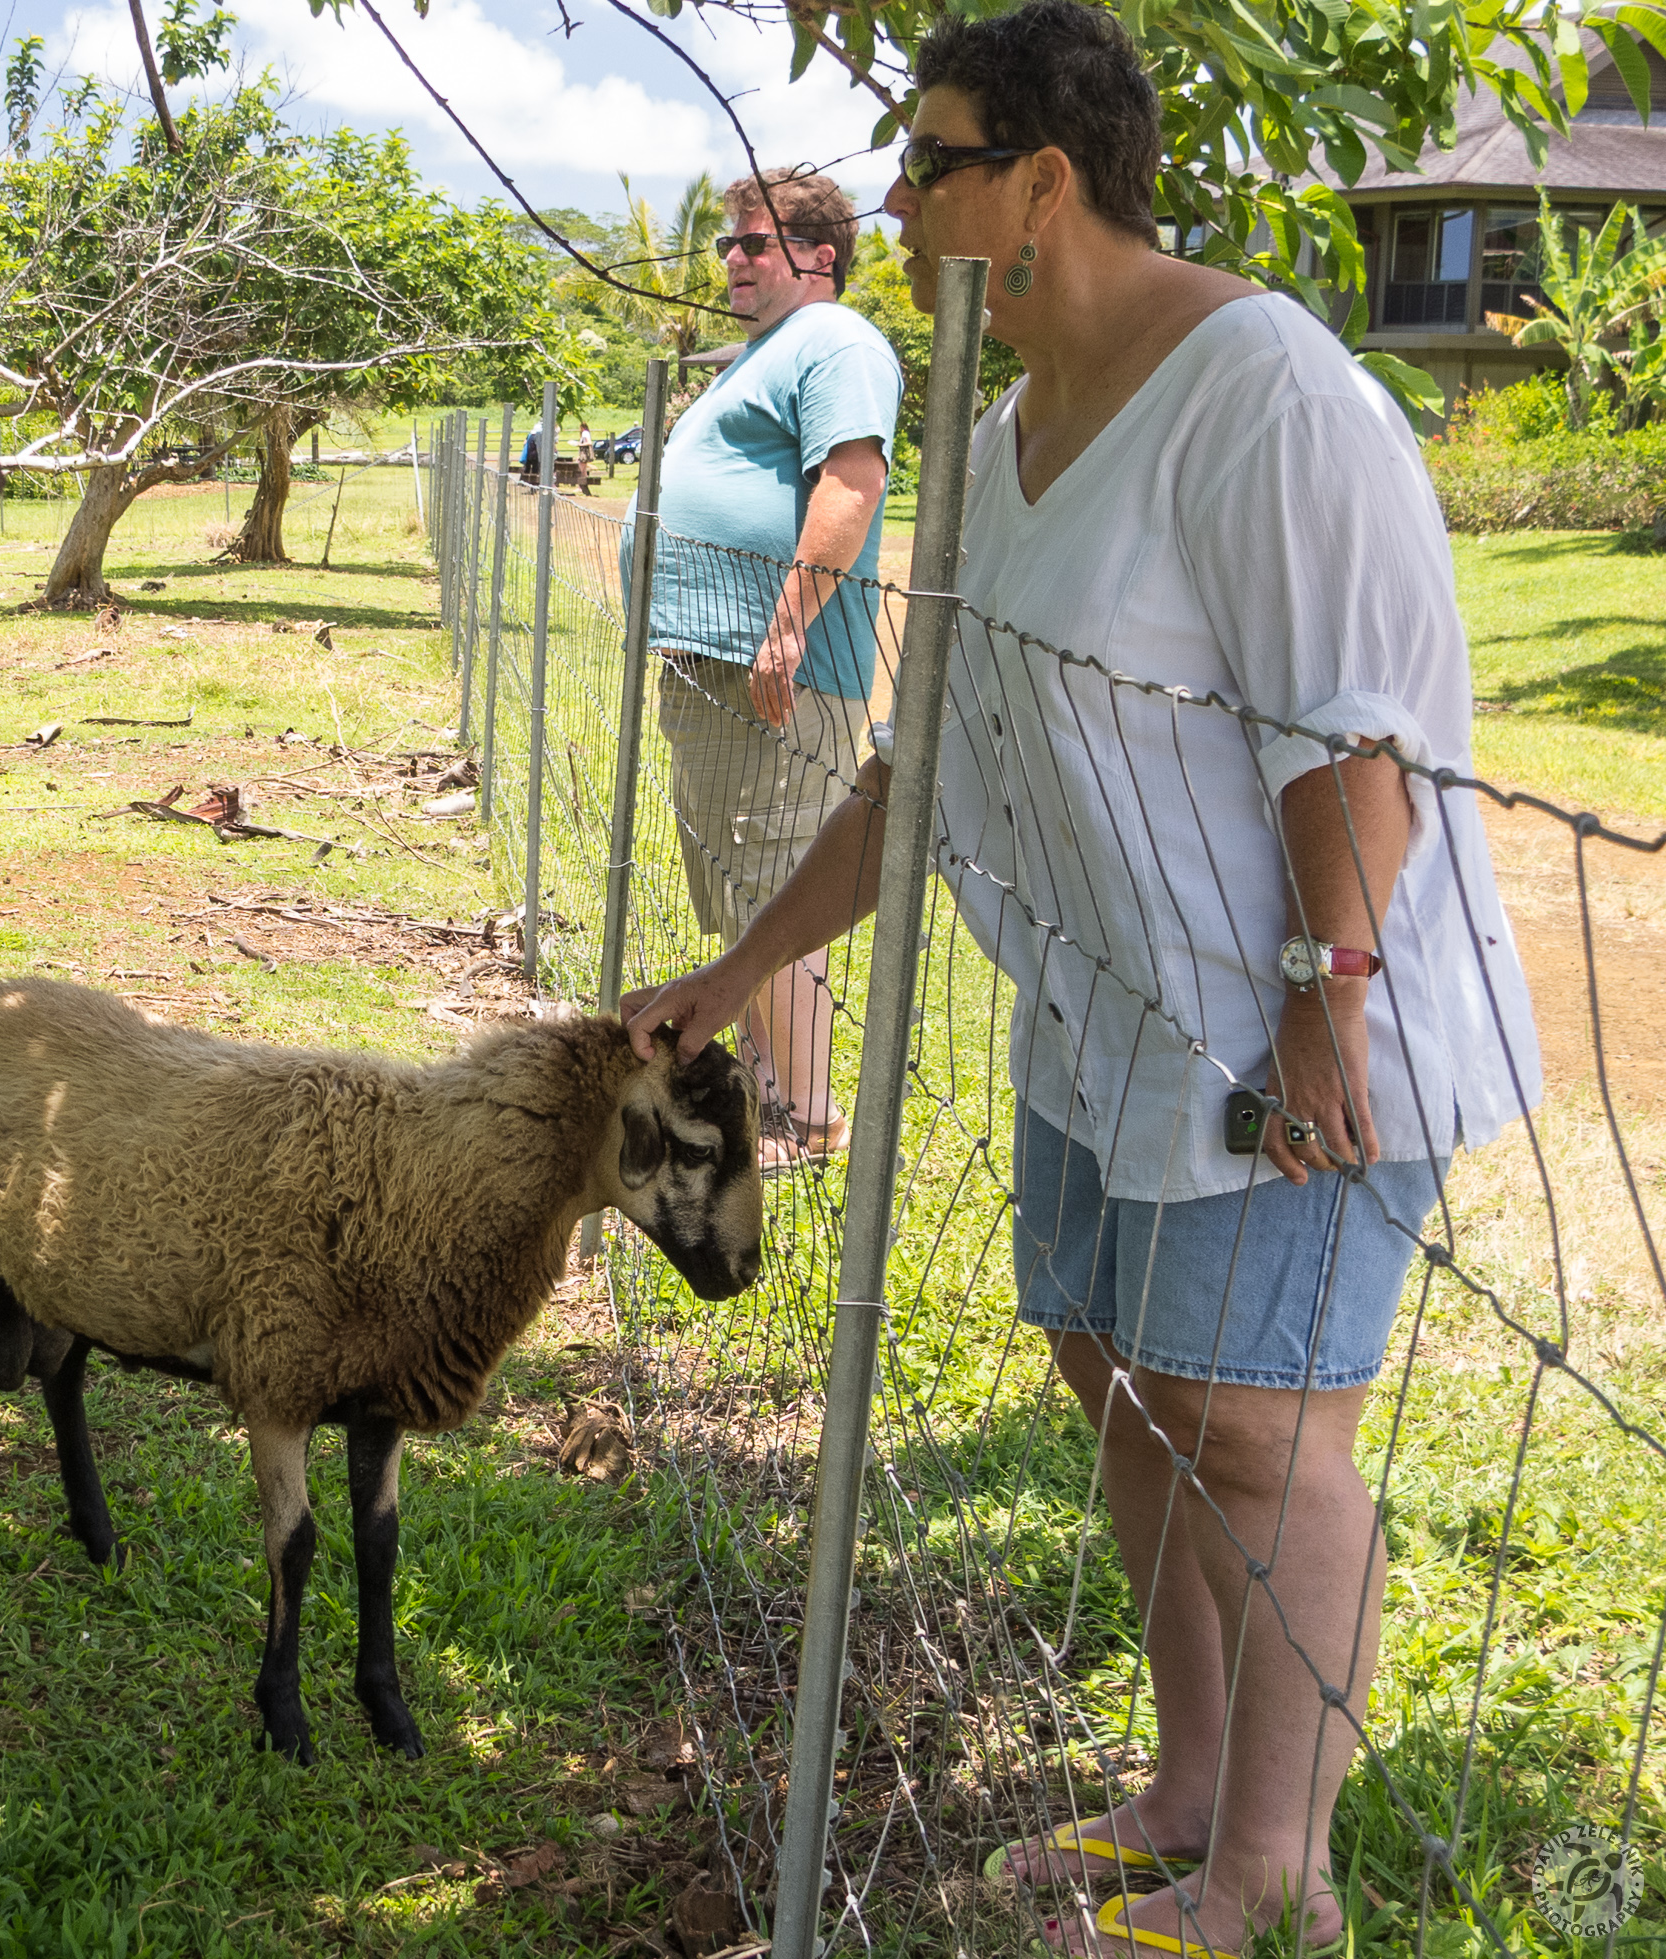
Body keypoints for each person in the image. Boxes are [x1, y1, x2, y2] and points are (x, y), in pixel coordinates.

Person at [623, 6, 1537, 1954]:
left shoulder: (1259, 392)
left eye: (930, 160)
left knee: (1256, 1426)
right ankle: (1187, 1792)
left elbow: (1353, 734)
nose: (898, 199)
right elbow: (921, 762)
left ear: (1038, 183)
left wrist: (1327, 990)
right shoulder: (999, 431)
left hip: (1292, 1022)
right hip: (1104, 1027)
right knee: (1118, 1388)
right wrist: (735, 969)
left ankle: (1272, 1876)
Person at [633, 167, 899, 1170]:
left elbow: (851, 478)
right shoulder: (767, 350)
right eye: (727, 246)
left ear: (816, 255)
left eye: (752, 243)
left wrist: (785, 629)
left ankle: (803, 1118)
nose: (733, 260)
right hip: (717, 671)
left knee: (775, 877)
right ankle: (765, 1088)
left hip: (779, 676)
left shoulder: (834, 342)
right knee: (734, 881)